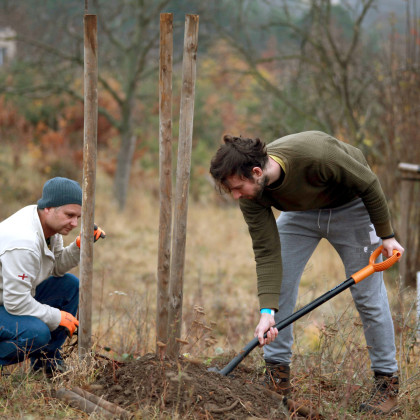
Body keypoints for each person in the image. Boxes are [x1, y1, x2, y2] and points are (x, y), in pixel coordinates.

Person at [209, 131, 404, 415]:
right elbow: (266, 252)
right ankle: (276, 380)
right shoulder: (252, 195)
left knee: (368, 295)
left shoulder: (317, 154)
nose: (236, 195)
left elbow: (369, 182)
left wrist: (386, 235)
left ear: (256, 172)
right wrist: (266, 311)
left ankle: (387, 384)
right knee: (281, 290)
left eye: (238, 187)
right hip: (300, 214)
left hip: (351, 207)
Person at [0, 177, 105, 375]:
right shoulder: (23, 242)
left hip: (9, 298)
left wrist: (78, 246)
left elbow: (54, 267)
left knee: (69, 286)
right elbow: (15, 302)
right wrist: (57, 317)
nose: (74, 223)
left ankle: (46, 366)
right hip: (9, 302)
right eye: (69, 215)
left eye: (78, 217)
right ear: (49, 207)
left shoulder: (47, 225)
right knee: (37, 333)